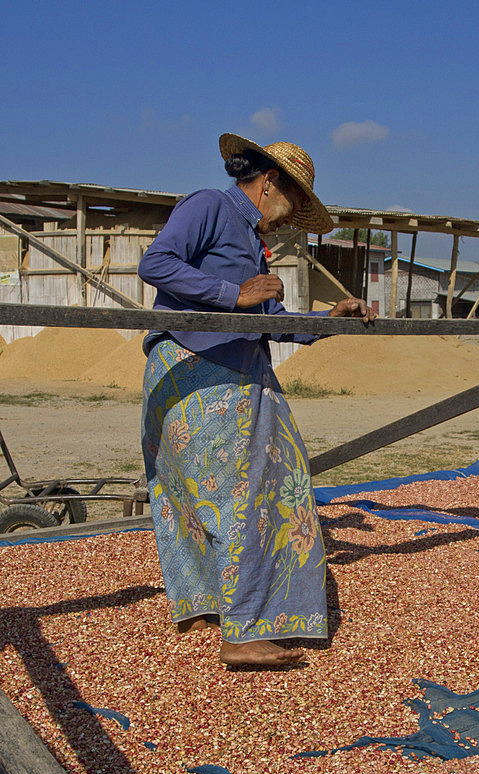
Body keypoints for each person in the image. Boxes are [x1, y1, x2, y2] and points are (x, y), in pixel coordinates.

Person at [139, 133, 374, 669]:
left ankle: (205, 605)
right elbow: (156, 264)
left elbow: (264, 323)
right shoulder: (211, 205)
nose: (291, 220)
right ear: (269, 183)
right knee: (260, 497)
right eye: (293, 205)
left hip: (206, 370)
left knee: (197, 495)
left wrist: (324, 321)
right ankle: (244, 631)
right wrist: (233, 294)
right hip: (205, 372)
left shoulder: (247, 238)